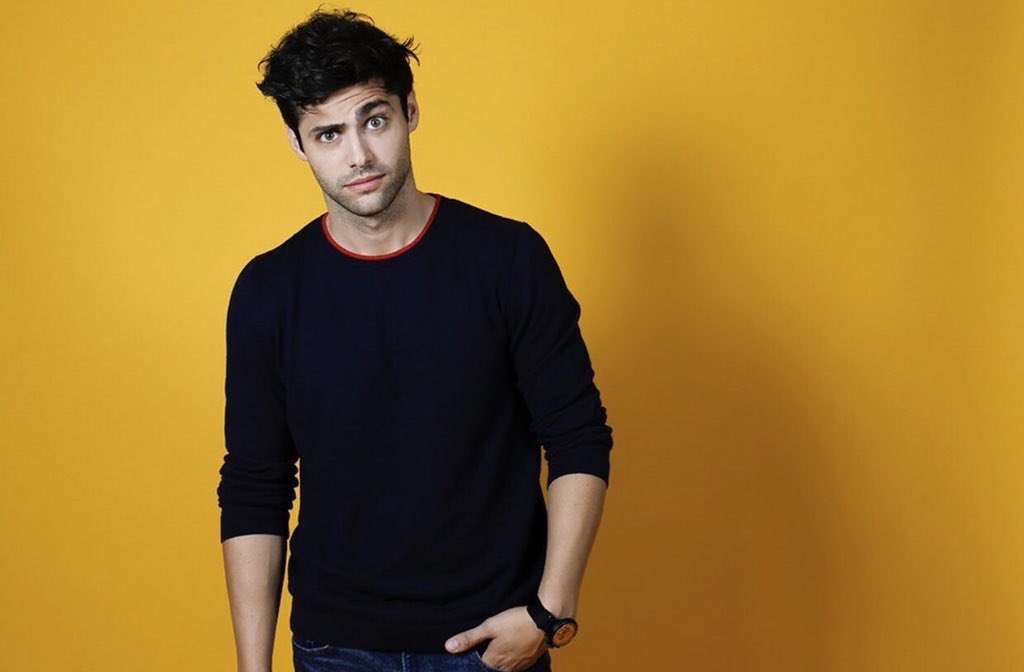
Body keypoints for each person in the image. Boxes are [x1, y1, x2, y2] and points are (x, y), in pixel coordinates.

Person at [216, 8, 613, 672]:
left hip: (490, 641)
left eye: (374, 121)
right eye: (328, 134)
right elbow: (256, 485)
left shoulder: (507, 259)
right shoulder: (269, 291)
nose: (358, 155)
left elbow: (578, 437)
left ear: (410, 110)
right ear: (298, 143)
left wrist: (549, 612)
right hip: (335, 647)